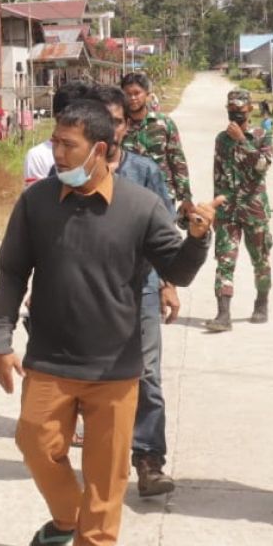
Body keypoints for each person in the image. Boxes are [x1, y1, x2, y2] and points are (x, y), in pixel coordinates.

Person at [0, 99, 222, 546]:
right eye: (55, 141)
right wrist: (0, 338)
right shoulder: (36, 202)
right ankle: (67, 516)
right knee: (35, 443)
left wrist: (197, 240)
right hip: (50, 360)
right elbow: (12, 271)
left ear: (98, 149)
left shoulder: (141, 206)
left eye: (67, 144)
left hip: (116, 367)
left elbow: (176, 266)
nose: (56, 152)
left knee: (107, 473)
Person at [87, 84, 178, 497]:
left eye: (119, 122)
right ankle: (105, 462)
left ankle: (148, 460)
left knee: (147, 376)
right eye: (105, 122)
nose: (113, 129)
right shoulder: (72, 172)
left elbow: (164, 236)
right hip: (88, 292)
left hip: (139, 287)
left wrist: (168, 285)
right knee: (95, 378)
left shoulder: (145, 172)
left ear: (126, 125)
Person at [205, 88, 273, 332]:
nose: (236, 117)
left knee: (260, 259)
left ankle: (262, 302)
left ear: (250, 110)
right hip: (228, 210)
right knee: (224, 260)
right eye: (231, 112)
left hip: (254, 208)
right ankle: (223, 314)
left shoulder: (262, 135)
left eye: (240, 112)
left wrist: (243, 141)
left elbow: (262, 167)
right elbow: (217, 174)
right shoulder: (220, 139)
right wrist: (214, 208)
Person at [121, 72, 194, 225]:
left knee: (163, 240)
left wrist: (186, 197)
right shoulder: (118, 125)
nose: (133, 98)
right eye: (128, 94)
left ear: (147, 95)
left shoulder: (164, 123)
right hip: (129, 194)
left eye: (137, 93)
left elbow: (177, 159)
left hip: (162, 193)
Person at [23, 80, 92, 186]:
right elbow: (36, 199)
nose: (59, 155)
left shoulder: (98, 151)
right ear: (57, 115)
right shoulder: (38, 156)